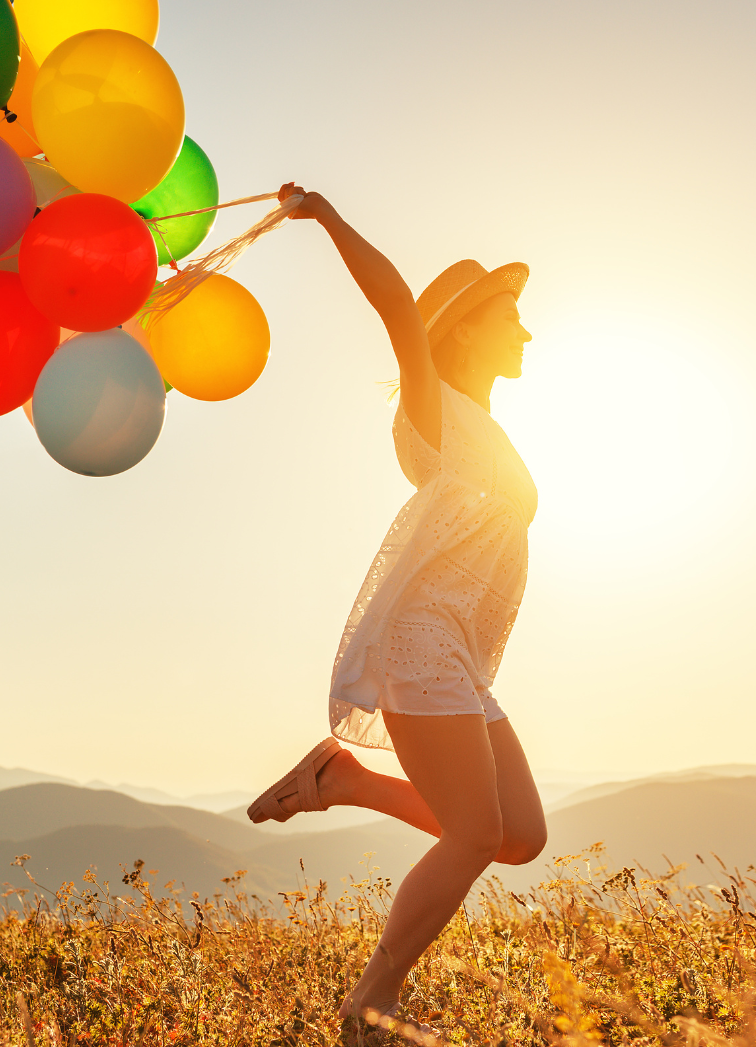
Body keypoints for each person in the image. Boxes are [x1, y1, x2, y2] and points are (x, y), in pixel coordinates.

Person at [246, 183, 547, 1041]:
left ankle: (344, 780)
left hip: (461, 656)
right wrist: (330, 219)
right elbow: (394, 308)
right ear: (462, 330)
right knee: (472, 834)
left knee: (515, 834)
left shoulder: (488, 427)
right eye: (509, 317)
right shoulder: (436, 411)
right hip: (421, 646)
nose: (525, 331)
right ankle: (372, 1000)